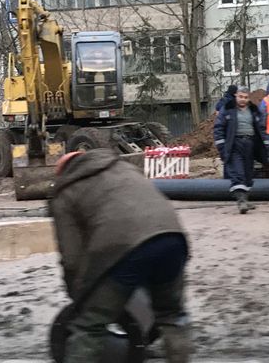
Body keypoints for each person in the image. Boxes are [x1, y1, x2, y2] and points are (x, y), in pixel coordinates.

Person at [51, 149, 192, 363]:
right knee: (172, 316)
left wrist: (80, 299)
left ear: (64, 172)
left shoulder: (66, 190)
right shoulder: (124, 167)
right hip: (173, 238)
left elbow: (71, 258)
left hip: (124, 248)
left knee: (89, 324)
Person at [213, 86, 265, 213]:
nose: (243, 100)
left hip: (250, 144)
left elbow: (261, 127)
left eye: (246, 97)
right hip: (234, 144)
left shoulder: (253, 110)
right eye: (241, 97)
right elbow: (218, 127)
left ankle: (245, 200)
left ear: (249, 98)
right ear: (236, 96)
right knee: (238, 172)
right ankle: (241, 202)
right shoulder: (228, 109)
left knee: (248, 173)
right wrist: (221, 146)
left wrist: (264, 145)